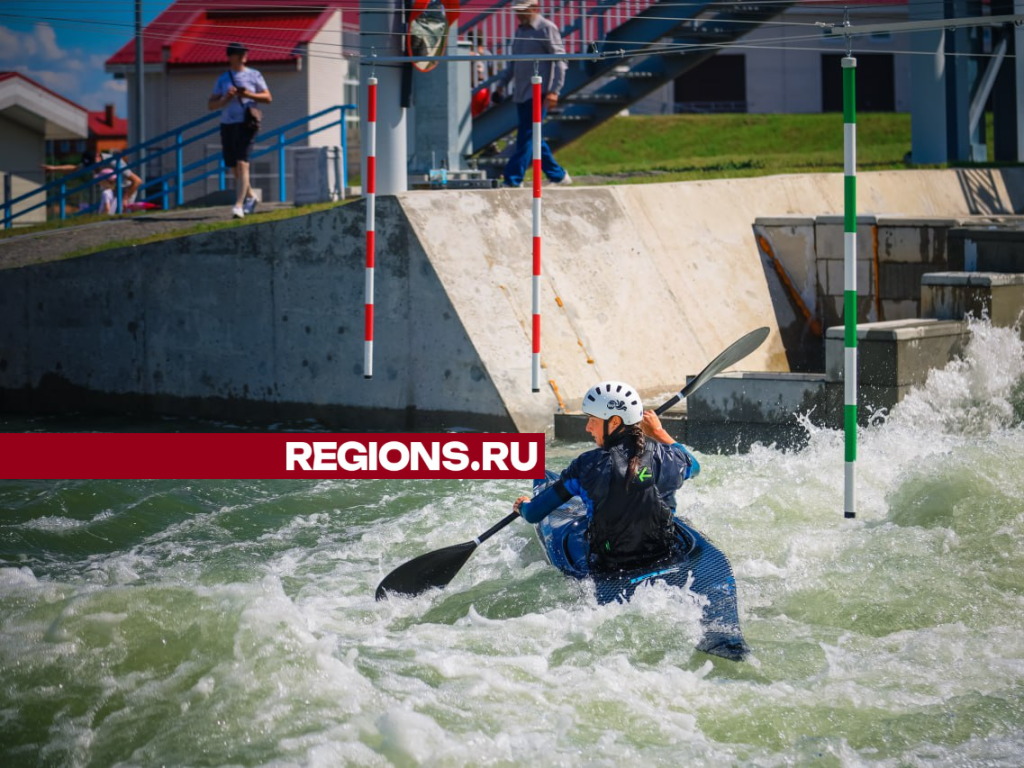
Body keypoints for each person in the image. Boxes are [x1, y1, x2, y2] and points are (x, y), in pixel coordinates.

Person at [513, 381, 700, 572]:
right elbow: (694, 466)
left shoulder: (586, 466)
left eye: (592, 420)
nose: (588, 427)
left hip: (611, 565)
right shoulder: (667, 457)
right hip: (663, 555)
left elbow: (535, 514)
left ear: (615, 422)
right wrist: (658, 432)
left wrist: (523, 507)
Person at [495, 0, 572, 188]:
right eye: (517, 10)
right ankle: (558, 175)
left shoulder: (547, 28)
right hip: (521, 93)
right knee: (533, 136)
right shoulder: (520, 31)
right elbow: (513, 63)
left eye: (523, 10)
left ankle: (513, 179)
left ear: (534, 8)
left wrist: (554, 91)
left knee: (527, 136)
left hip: (539, 92)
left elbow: (560, 61)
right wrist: (500, 85)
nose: (519, 14)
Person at [208, 42, 272, 219]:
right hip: (228, 123)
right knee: (233, 166)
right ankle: (251, 197)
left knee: (243, 162)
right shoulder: (223, 78)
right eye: (239, 53)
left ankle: (238, 205)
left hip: (247, 123)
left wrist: (247, 94)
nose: (244, 55)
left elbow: (268, 97)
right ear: (231, 56)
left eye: (244, 53)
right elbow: (211, 105)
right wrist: (225, 98)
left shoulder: (254, 74)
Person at [42, 150, 142, 205]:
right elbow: (75, 168)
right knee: (109, 212)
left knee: (121, 213)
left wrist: (125, 198)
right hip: (111, 189)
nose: (93, 168)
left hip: (126, 189)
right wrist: (54, 168)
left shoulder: (114, 162)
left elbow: (137, 181)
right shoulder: (92, 162)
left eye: (94, 165)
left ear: (98, 156)